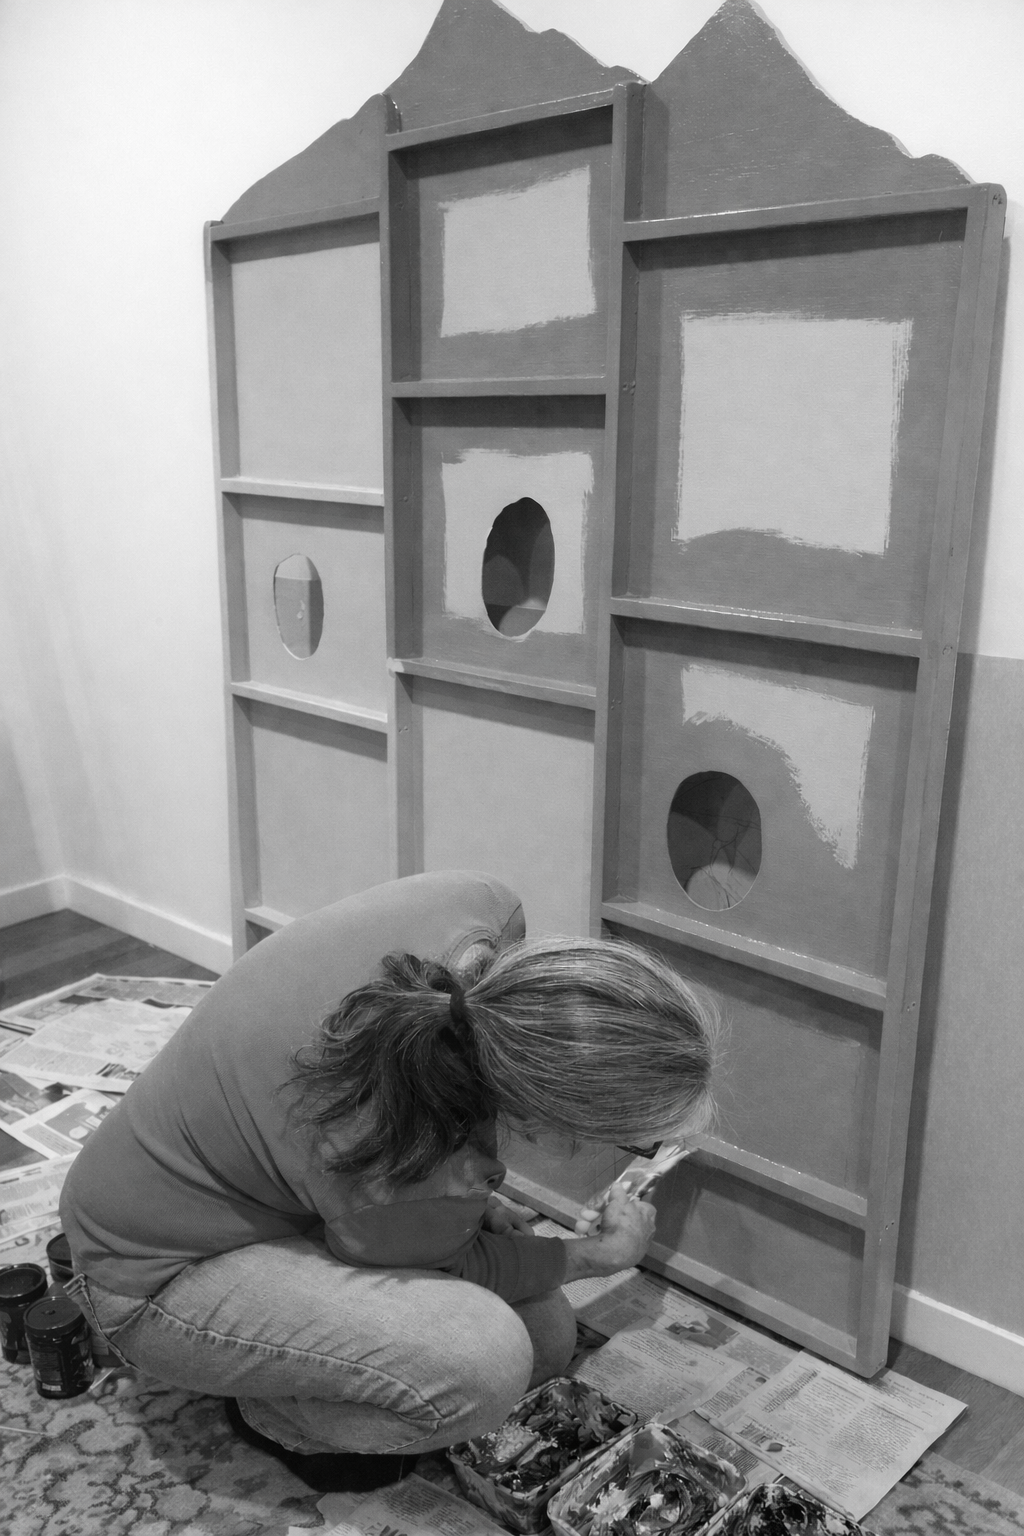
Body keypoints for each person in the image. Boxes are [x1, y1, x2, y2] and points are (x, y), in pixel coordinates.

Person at [60, 871, 717, 1493]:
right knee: (484, 1367)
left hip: (219, 1186)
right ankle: (274, 1412)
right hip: (149, 1275)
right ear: (541, 1118)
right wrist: (595, 1257)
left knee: (546, 1334)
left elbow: (434, 1218)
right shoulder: (407, 1150)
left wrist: (465, 1210)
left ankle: (293, 1360)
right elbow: (458, 1264)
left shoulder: (481, 906)